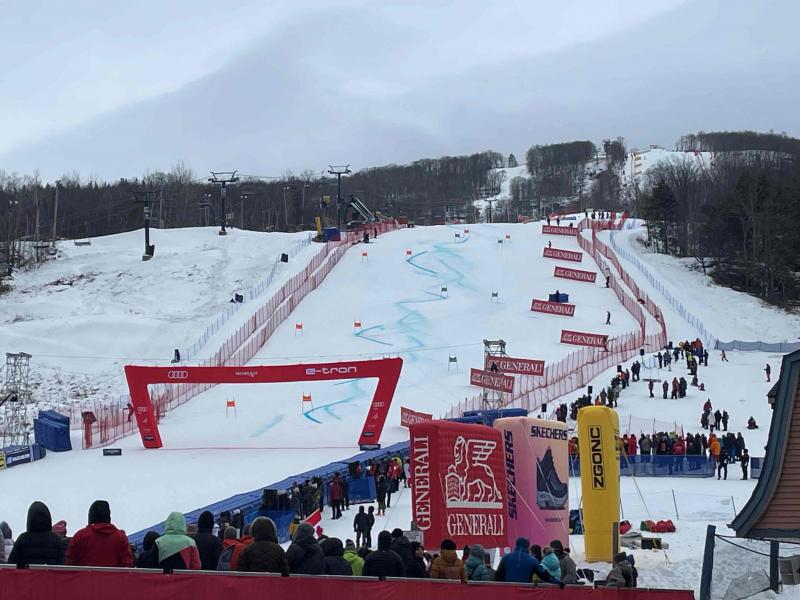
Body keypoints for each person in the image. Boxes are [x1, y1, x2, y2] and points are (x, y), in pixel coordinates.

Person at [66, 500, 133, 567]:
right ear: (108, 516)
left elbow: (69, 562)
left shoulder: (80, 536)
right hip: (113, 577)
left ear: (91, 516)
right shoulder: (120, 537)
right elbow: (127, 564)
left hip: (85, 577)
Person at [8, 502, 64, 567]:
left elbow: (11, 566)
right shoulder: (56, 540)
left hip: (26, 577)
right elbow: (61, 566)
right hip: (50, 577)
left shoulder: (22, 539)